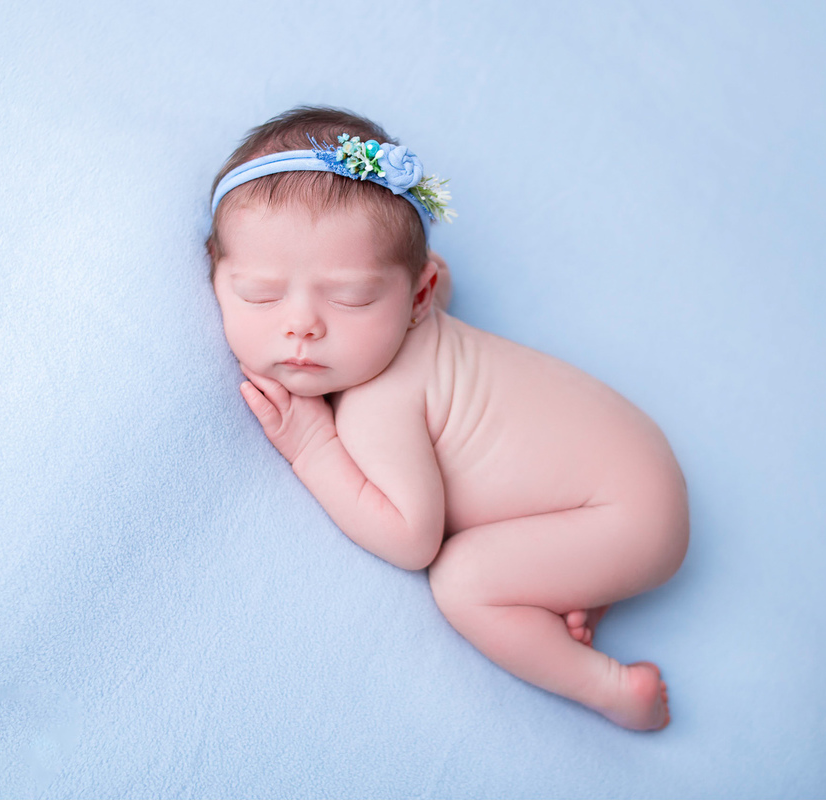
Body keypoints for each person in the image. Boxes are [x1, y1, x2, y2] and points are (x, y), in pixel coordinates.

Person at [207, 105, 689, 730]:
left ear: (418, 295)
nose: (302, 325)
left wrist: (312, 446)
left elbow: (413, 540)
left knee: (463, 580)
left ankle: (615, 689)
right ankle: (572, 582)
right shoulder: (422, 316)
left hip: (626, 518)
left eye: (352, 298)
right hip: (629, 464)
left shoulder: (378, 404)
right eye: (260, 294)